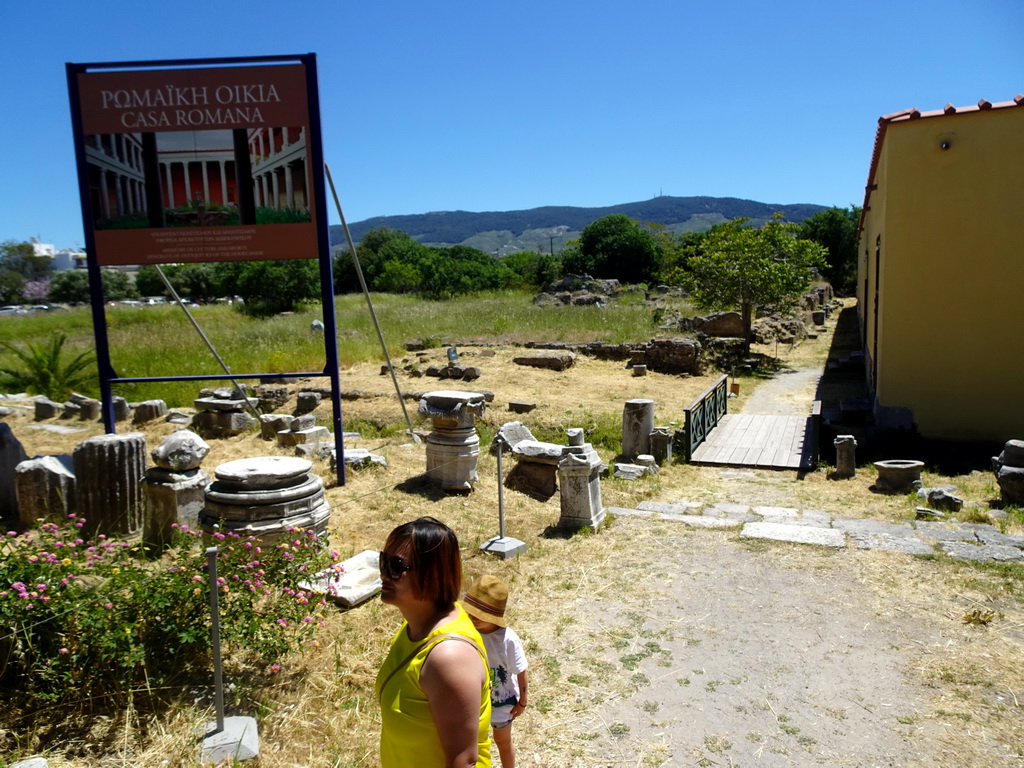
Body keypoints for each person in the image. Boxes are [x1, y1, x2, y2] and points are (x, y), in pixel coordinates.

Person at [375, 517, 492, 768]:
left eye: (396, 566)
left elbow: (464, 762)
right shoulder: (415, 627)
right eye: (383, 561)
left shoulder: (449, 657)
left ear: (433, 573)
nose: (384, 573)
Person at [461, 575, 529, 768]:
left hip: (501, 702)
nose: (472, 618)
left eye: (479, 615)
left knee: (503, 742)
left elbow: (521, 670)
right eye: (470, 613)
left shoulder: (508, 639)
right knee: (472, 743)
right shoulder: (468, 631)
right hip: (475, 701)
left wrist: (522, 701)